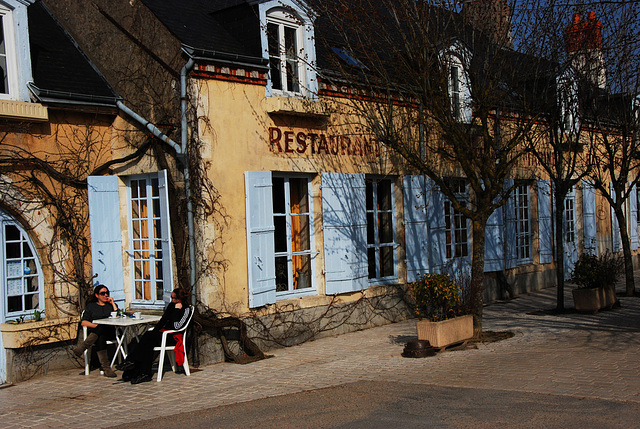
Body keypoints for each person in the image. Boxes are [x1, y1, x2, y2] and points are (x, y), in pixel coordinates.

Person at [118, 288, 192, 384]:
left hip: (173, 336)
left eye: (174, 298)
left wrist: (177, 311)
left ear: (180, 299)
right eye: (171, 298)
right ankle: (142, 372)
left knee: (148, 339)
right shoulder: (171, 306)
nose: (172, 300)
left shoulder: (186, 309)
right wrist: (156, 331)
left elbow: (177, 326)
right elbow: (163, 321)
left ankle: (132, 363)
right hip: (163, 334)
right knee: (148, 340)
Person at [73, 284, 119, 377]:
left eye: (107, 293)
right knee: (100, 333)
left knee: (102, 329)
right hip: (97, 333)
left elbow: (118, 317)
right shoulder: (91, 307)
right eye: (103, 293)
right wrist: (96, 326)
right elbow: (84, 322)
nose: (106, 295)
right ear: (97, 295)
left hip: (110, 332)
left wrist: (113, 303)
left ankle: (81, 348)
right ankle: (106, 368)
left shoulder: (110, 306)